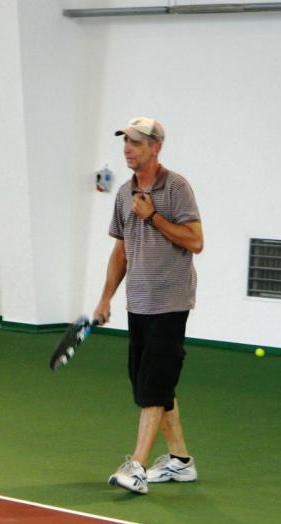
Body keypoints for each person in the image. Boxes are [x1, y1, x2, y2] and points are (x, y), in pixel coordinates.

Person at [93, 117, 204, 495]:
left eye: (136, 142)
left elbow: (195, 241)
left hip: (170, 300)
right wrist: (105, 298)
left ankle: (137, 466)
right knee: (151, 383)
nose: (128, 148)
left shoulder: (176, 188)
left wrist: (153, 217)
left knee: (154, 384)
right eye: (125, 141)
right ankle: (180, 461)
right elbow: (120, 251)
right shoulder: (124, 193)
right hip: (138, 301)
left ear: (155, 147)